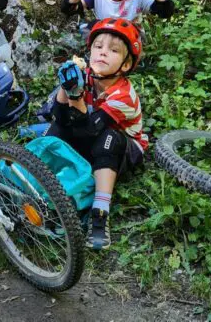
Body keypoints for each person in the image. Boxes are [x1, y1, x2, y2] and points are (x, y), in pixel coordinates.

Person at [44, 18, 147, 250]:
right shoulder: (86, 75)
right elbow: (59, 117)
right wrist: (66, 86)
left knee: (106, 140)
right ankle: (37, 175)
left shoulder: (124, 96)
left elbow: (90, 129)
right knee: (57, 129)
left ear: (126, 65)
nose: (103, 53)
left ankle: (100, 213)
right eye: (98, 47)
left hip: (121, 147)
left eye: (113, 50)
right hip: (88, 131)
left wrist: (75, 96)